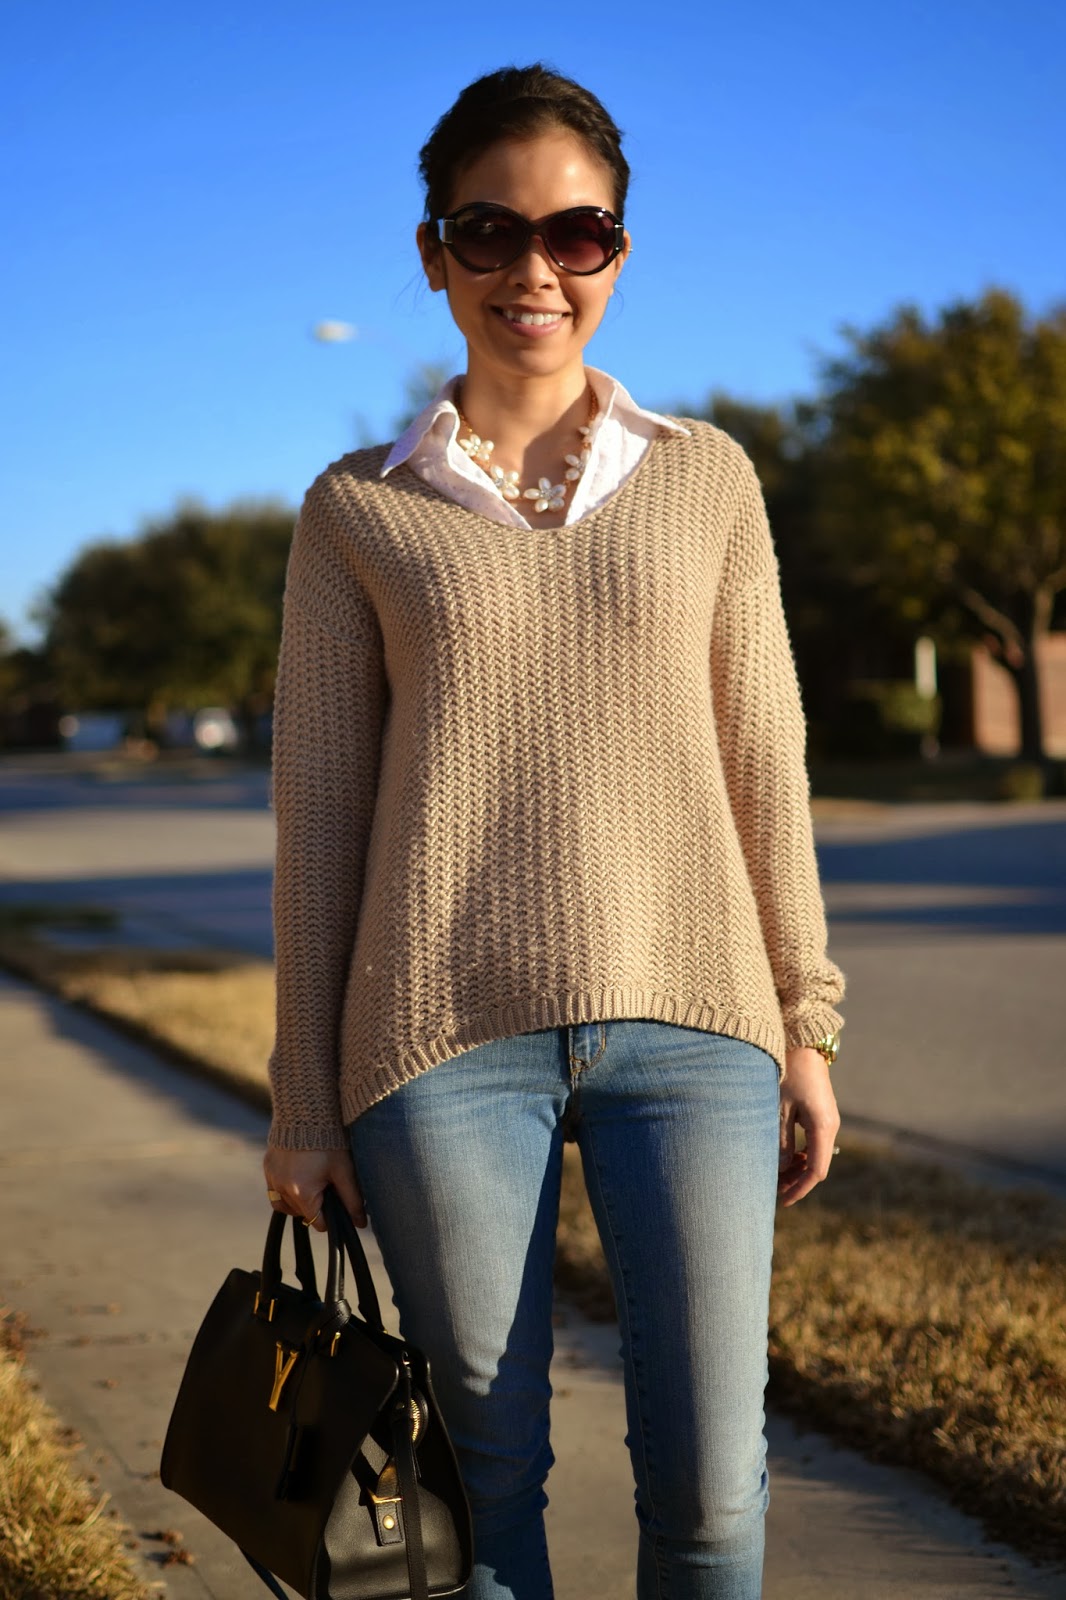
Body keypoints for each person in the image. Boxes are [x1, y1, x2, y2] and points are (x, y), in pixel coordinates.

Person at [263, 62, 845, 1600]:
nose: (534, 269)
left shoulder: (706, 479)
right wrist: (302, 1099)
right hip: (440, 1041)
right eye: (489, 230)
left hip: (696, 1029)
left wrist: (805, 1020)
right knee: (484, 1474)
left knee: (715, 1484)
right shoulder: (355, 511)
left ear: (618, 252)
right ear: (433, 252)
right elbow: (319, 816)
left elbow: (762, 763)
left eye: (575, 233)